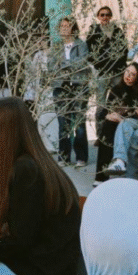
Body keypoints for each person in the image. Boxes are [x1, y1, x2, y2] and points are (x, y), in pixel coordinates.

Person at [0, 97, 81, 275]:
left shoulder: (26, 170)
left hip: (43, 271)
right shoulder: (31, 163)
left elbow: (20, 242)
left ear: (2, 131)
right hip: (44, 265)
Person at [94, 61, 138, 181]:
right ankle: (101, 176)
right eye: (127, 72)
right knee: (107, 127)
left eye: (133, 74)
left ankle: (106, 173)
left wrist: (122, 117)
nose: (128, 76)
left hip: (131, 123)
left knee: (113, 128)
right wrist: (108, 115)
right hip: (115, 123)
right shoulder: (116, 89)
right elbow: (104, 111)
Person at [51, 17, 91, 167]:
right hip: (60, 87)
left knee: (79, 124)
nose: (64, 28)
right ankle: (64, 157)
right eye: (62, 25)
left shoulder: (81, 44)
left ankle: (81, 156)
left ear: (73, 28)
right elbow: (51, 66)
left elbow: (82, 63)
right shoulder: (56, 46)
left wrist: (63, 64)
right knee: (63, 123)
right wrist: (67, 66)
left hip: (78, 86)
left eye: (67, 25)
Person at [85, 4, 129, 89]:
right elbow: (89, 50)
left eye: (107, 15)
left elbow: (124, 50)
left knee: (118, 94)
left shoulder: (118, 31)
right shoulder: (94, 32)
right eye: (102, 15)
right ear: (98, 17)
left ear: (111, 16)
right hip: (102, 72)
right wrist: (98, 65)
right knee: (101, 96)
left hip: (117, 72)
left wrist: (119, 65)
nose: (105, 17)